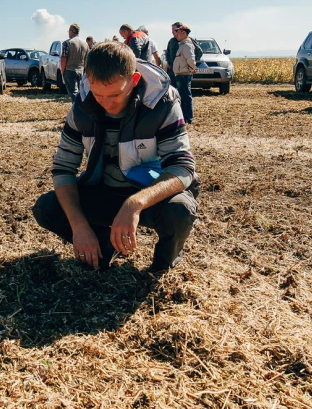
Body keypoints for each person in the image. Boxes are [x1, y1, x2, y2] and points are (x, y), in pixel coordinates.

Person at [33, 42, 198, 272]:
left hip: (148, 193)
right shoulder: (81, 106)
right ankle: (104, 245)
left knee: (180, 210)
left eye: (115, 95)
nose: (106, 104)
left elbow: (182, 167)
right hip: (103, 191)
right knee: (46, 208)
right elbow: (63, 169)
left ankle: (164, 263)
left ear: (135, 80)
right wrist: (79, 226)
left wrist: (135, 204)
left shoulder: (162, 103)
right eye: (98, 94)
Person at [173, 24, 196, 124]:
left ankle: (188, 117)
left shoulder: (186, 45)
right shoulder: (182, 45)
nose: (176, 34)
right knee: (183, 96)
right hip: (181, 74)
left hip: (184, 74)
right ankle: (185, 117)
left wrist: (192, 69)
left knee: (185, 96)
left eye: (178, 32)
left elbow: (190, 59)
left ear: (183, 33)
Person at [60, 23, 88, 103]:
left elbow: (63, 58)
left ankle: (77, 110)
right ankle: (82, 108)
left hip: (69, 69)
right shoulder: (85, 44)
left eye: (68, 31)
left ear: (71, 31)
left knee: (73, 93)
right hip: (81, 70)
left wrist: (62, 71)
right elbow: (87, 59)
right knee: (81, 92)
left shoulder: (67, 43)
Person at [165, 21, 183, 88]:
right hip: (172, 70)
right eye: (172, 30)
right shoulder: (172, 41)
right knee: (172, 88)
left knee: (182, 91)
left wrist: (193, 63)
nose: (172, 32)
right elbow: (167, 52)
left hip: (182, 71)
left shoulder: (187, 40)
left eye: (173, 30)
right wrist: (168, 62)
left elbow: (199, 52)